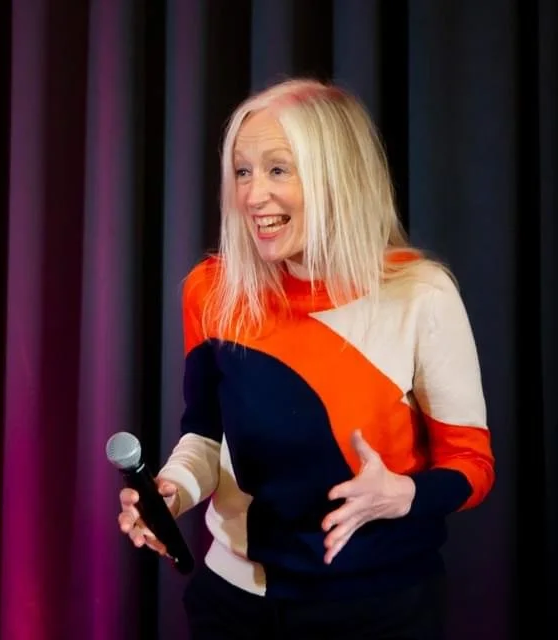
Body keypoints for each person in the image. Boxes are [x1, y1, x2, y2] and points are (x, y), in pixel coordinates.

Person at [117, 77, 495, 639]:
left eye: (278, 170)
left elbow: (472, 464)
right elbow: (204, 436)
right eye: (242, 171)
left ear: (338, 178)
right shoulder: (212, 290)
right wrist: (172, 492)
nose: (252, 196)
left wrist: (403, 494)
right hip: (233, 603)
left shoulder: (421, 294)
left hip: (377, 606)